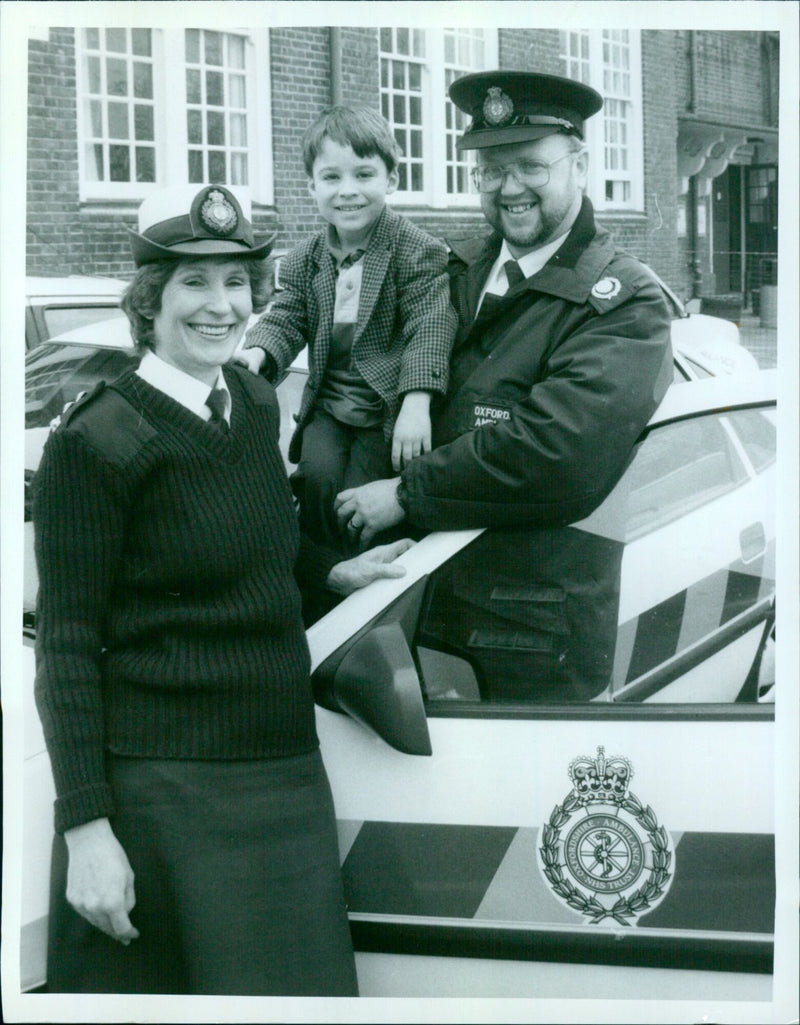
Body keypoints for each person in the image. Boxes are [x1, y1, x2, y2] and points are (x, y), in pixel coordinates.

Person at [32, 183, 412, 995]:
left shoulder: (250, 397)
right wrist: (87, 830)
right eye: (193, 282)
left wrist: (330, 570)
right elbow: (65, 645)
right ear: (148, 301)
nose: (220, 304)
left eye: (236, 280)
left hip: (283, 770)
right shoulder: (95, 439)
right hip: (166, 790)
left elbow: (256, 536)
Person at [334, 71, 674, 702]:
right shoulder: (451, 269)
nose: (509, 188)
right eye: (491, 170)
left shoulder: (623, 302)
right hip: (406, 624)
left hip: (528, 646)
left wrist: (408, 494)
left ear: (579, 163)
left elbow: (557, 453)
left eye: (530, 167)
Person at [237, 105, 457, 556]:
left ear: (391, 180)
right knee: (314, 482)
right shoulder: (303, 259)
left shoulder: (418, 251)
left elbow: (430, 326)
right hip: (330, 407)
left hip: (386, 410)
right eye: (332, 178)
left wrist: (417, 403)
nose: (348, 192)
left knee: (359, 499)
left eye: (363, 175)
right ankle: (319, 582)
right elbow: (286, 316)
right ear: (312, 186)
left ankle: (365, 588)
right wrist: (255, 354)